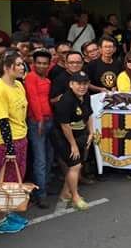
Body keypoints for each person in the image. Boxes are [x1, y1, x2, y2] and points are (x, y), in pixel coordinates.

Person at [0, 52, 29, 234]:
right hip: (6, 144)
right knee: (5, 184)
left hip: (21, 139)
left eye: (22, 64)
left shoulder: (18, 85)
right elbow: (2, 122)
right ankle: (0, 222)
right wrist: (10, 149)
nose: (22, 67)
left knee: (15, 183)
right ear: (6, 67)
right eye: (18, 64)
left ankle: (8, 213)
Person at [51, 72, 94, 211]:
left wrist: (91, 132)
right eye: (79, 83)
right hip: (62, 136)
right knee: (75, 165)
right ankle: (75, 197)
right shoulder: (66, 101)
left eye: (85, 83)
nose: (82, 87)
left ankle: (65, 193)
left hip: (79, 133)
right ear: (71, 84)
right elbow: (65, 126)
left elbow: (89, 115)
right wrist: (73, 145)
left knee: (76, 165)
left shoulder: (86, 96)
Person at [24, 49, 54, 209]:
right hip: (37, 122)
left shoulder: (47, 79)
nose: (42, 66)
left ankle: (44, 187)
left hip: (49, 120)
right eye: (39, 63)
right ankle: (40, 194)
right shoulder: (31, 77)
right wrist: (40, 119)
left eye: (45, 63)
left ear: (49, 65)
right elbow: (33, 98)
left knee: (49, 156)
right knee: (40, 159)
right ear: (33, 64)